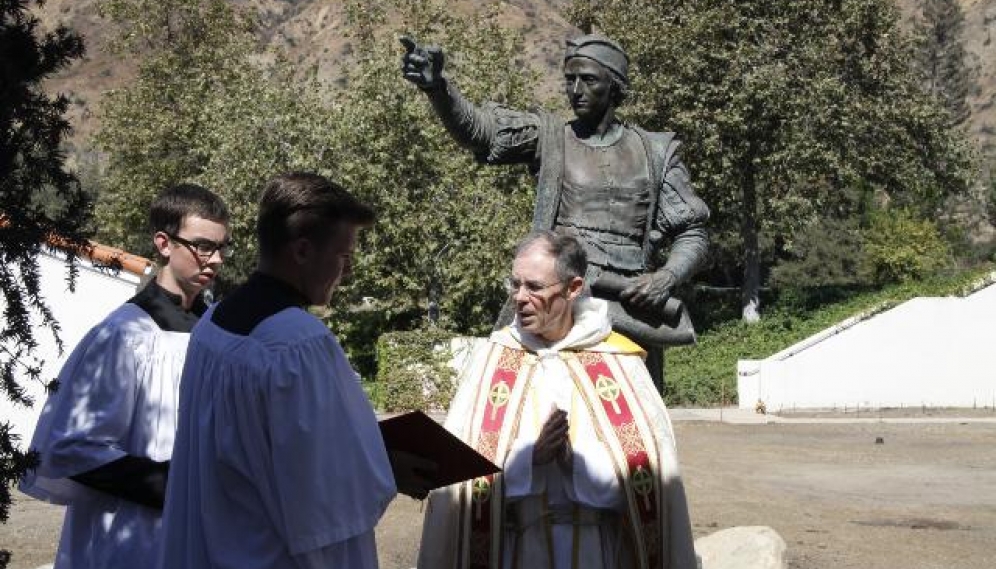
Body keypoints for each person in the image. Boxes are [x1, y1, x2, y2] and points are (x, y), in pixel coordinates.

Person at [401, 33, 710, 391]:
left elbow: (693, 230)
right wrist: (438, 88)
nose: (575, 89)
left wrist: (667, 277)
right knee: (538, 411)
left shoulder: (656, 151)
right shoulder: (549, 136)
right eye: (569, 79)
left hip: (629, 307)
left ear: (615, 86)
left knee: (627, 420)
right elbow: (481, 132)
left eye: (588, 80)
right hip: (559, 302)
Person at [159, 172, 432, 569]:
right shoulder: (297, 343)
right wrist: (389, 467)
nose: (348, 272)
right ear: (302, 251)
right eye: (343, 256)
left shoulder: (213, 323)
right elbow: (322, 499)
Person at [418, 231, 696, 569]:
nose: (519, 298)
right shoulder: (492, 359)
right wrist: (528, 460)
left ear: (573, 288)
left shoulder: (618, 360)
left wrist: (575, 463)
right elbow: (457, 475)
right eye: (515, 284)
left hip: (596, 551)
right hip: (516, 551)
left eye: (534, 287)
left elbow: (652, 475)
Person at [19, 184, 231, 569]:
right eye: (203, 246)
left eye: (221, 248)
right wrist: (176, 485)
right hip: (133, 540)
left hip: (206, 536)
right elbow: (70, 446)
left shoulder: (217, 331)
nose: (215, 260)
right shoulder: (124, 336)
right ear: (164, 244)